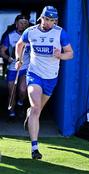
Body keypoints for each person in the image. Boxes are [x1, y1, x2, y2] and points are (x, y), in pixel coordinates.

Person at [15, 6, 73, 160]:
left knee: (37, 110)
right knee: (36, 107)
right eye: (46, 19)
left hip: (51, 78)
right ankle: (34, 148)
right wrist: (19, 59)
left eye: (52, 20)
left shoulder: (60, 33)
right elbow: (19, 45)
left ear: (55, 21)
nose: (48, 23)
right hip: (34, 75)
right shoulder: (31, 31)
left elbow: (70, 53)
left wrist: (60, 55)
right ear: (41, 17)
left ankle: (30, 113)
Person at [0, 14, 30, 121]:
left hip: (26, 67)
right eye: (21, 23)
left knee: (22, 90)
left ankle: (21, 103)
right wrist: (8, 58)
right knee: (11, 92)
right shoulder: (10, 36)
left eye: (25, 23)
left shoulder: (31, 35)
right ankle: (11, 113)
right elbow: (2, 51)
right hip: (13, 68)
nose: (23, 25)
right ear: (16, 24)